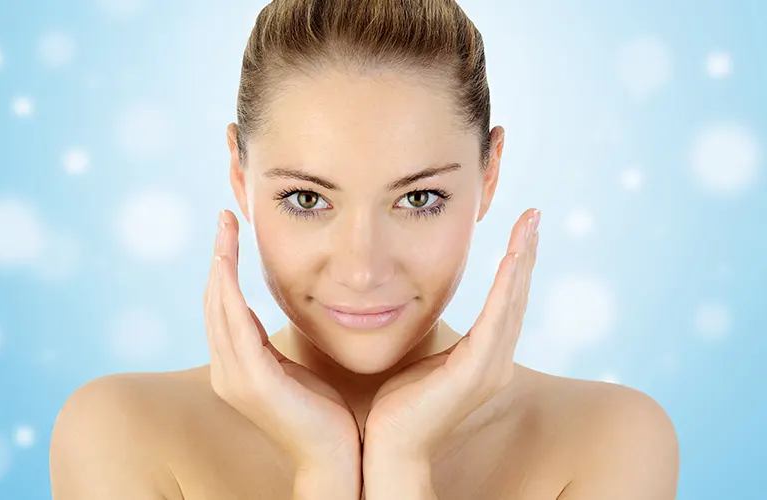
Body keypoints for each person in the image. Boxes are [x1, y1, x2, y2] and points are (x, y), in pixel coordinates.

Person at [49, 0, 680, 498]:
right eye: (307, 199)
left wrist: (402, 461)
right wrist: (323, 464)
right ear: (240, 177)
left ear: (489, 177)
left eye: (418, 198)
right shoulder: (123, 432)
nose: (362, 270)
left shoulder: (608, 439)